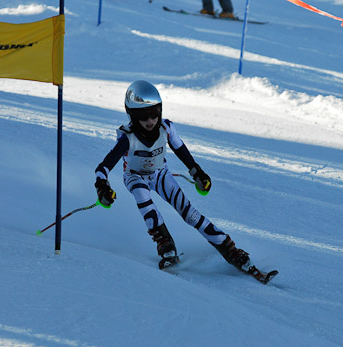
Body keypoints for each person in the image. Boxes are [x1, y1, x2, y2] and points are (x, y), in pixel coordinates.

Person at [94, 80, 254, 273]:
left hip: (160, 173)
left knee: (189, 213)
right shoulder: (127, 138)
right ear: (132, 115)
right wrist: (102, 186)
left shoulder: (166, 128)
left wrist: (197, 172)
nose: (150, 120)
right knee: (143, 199)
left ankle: (230, 249)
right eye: (143, 116)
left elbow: (180, 149)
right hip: (135, 176)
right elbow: (103, 167)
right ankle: (165, 245)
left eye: (154, 113)